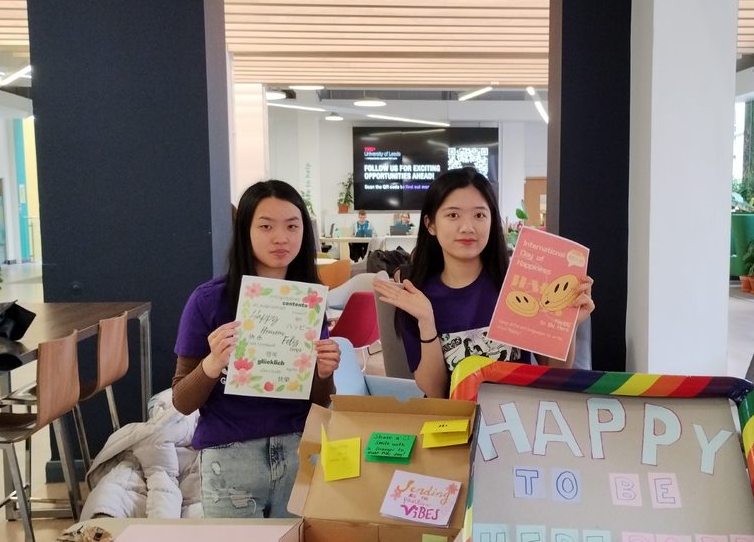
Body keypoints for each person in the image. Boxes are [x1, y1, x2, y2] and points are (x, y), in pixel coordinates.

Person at [172, 180, 341, 518]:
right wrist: (212, 364)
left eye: (292, 226)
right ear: (245, 231)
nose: (281, 238)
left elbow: (319, 400)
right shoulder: (209, 300)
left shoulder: (308, 301)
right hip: (230, 458)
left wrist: (324, 373)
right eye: (266, 226)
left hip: (298, 449)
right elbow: (181, 400)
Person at [374, 167, 593, 398]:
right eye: (453, 215)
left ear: (492, 220)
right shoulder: (417, 297)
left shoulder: (519, 286)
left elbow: (556, 373)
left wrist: (567, 326)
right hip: (455, 425)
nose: (467, 227)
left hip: (516, 418)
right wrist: (426, 320)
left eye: (479, 215)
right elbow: (436, 392)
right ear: (430, 224)